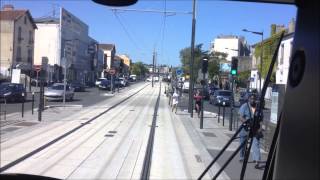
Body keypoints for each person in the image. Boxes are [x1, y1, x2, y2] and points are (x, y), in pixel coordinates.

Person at [238, 94, 262, 169]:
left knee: (256, 144)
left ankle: (257, 161)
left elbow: (261, 119)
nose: (252, 100)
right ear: (248, 99)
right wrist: (246, 122)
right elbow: (240, 117)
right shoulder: (245, 106)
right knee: (242, 144)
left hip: (255, 129)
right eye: (251, 98)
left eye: (254, 99)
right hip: (245, 129)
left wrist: (260, 128)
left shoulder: (258, 108)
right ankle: (242, 157)